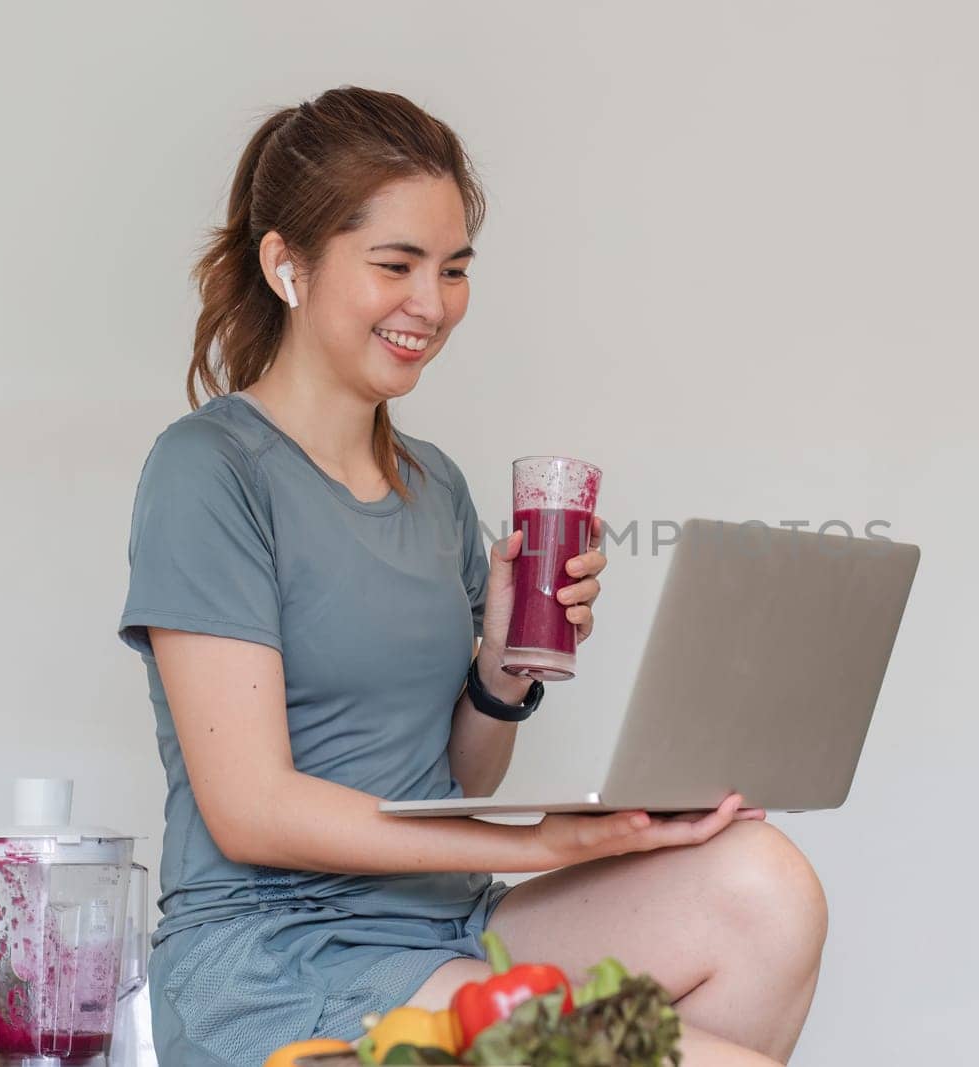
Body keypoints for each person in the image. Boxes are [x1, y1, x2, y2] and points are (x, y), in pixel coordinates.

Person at [117, 86, 828, 1067]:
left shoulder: (434, 483)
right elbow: (253, 807)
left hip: (447, 924)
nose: (432, 302)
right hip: (281, 958)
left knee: (763, 885)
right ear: (287, 263)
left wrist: (500, 666)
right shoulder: (210, 469)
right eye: (395, 264)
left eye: (453, 269)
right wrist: (537, 844)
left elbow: (460, 774)